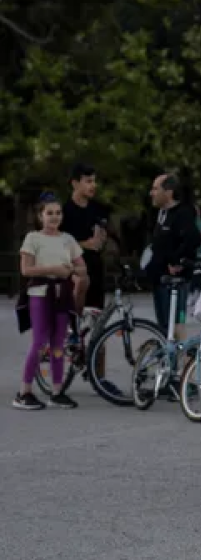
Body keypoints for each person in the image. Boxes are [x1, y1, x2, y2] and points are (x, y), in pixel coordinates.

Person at [15, 193, 88, 410]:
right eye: (49, 213)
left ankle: (56, 391)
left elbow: (82, 267)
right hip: (40, 293)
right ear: (41, 216)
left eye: (58, 213)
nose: (55, 217)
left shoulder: (68, 239)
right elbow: (26, 269)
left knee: (58, 345)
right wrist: (54, 269)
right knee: (39, 343)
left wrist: (71, 270)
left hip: (62, 294)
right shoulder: (33, 238)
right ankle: (24, 392)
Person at [143, 173, 201, 340]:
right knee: (163, 325)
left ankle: (182, 354)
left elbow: (193, 240)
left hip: (175, 279)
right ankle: (168, 353)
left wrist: (177, 261)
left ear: (168, 192)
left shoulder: (183, 213)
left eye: (155, 189)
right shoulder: (161, 213)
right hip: (159, 276)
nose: (151, 193)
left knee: (176, 323)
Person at [60, 163, 108, 317]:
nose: (93, 185)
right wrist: (84, 244)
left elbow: (103, 238)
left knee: (95, 318)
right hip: (73, 272)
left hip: (96, 270)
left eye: (94, 181)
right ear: (75, 183)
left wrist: (102, 239)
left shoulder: (99, 209)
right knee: (73, 317)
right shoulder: (63, 212)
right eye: (88, 181)